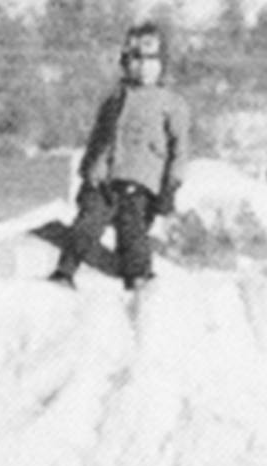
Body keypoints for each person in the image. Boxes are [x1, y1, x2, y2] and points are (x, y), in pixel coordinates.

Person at [51, 21, 191, 293]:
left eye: (151, 59)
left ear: (162, 64)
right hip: (103, 179)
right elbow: (98, 138)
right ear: (125, 62)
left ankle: (138, 280)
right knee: (86, 225)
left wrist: (171, 186)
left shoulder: (171, 104)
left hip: (141, 180)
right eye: (135, 59)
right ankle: (65, 272)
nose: (142, 66)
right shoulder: (115, 99)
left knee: (132, 231)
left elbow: (179, 149)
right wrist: (87, 172)